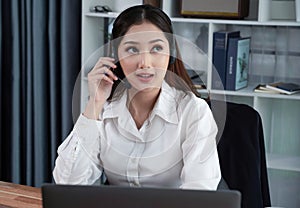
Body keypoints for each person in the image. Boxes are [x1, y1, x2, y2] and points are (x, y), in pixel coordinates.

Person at [53, 4, 221, 190]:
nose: (145, 63)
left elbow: (200, 194)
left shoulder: (193, 111)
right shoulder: (104, 109)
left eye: (156, 48)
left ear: (171, 54)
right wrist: (95, 103)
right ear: (116, 55)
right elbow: (67, 183)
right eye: (132, 50)